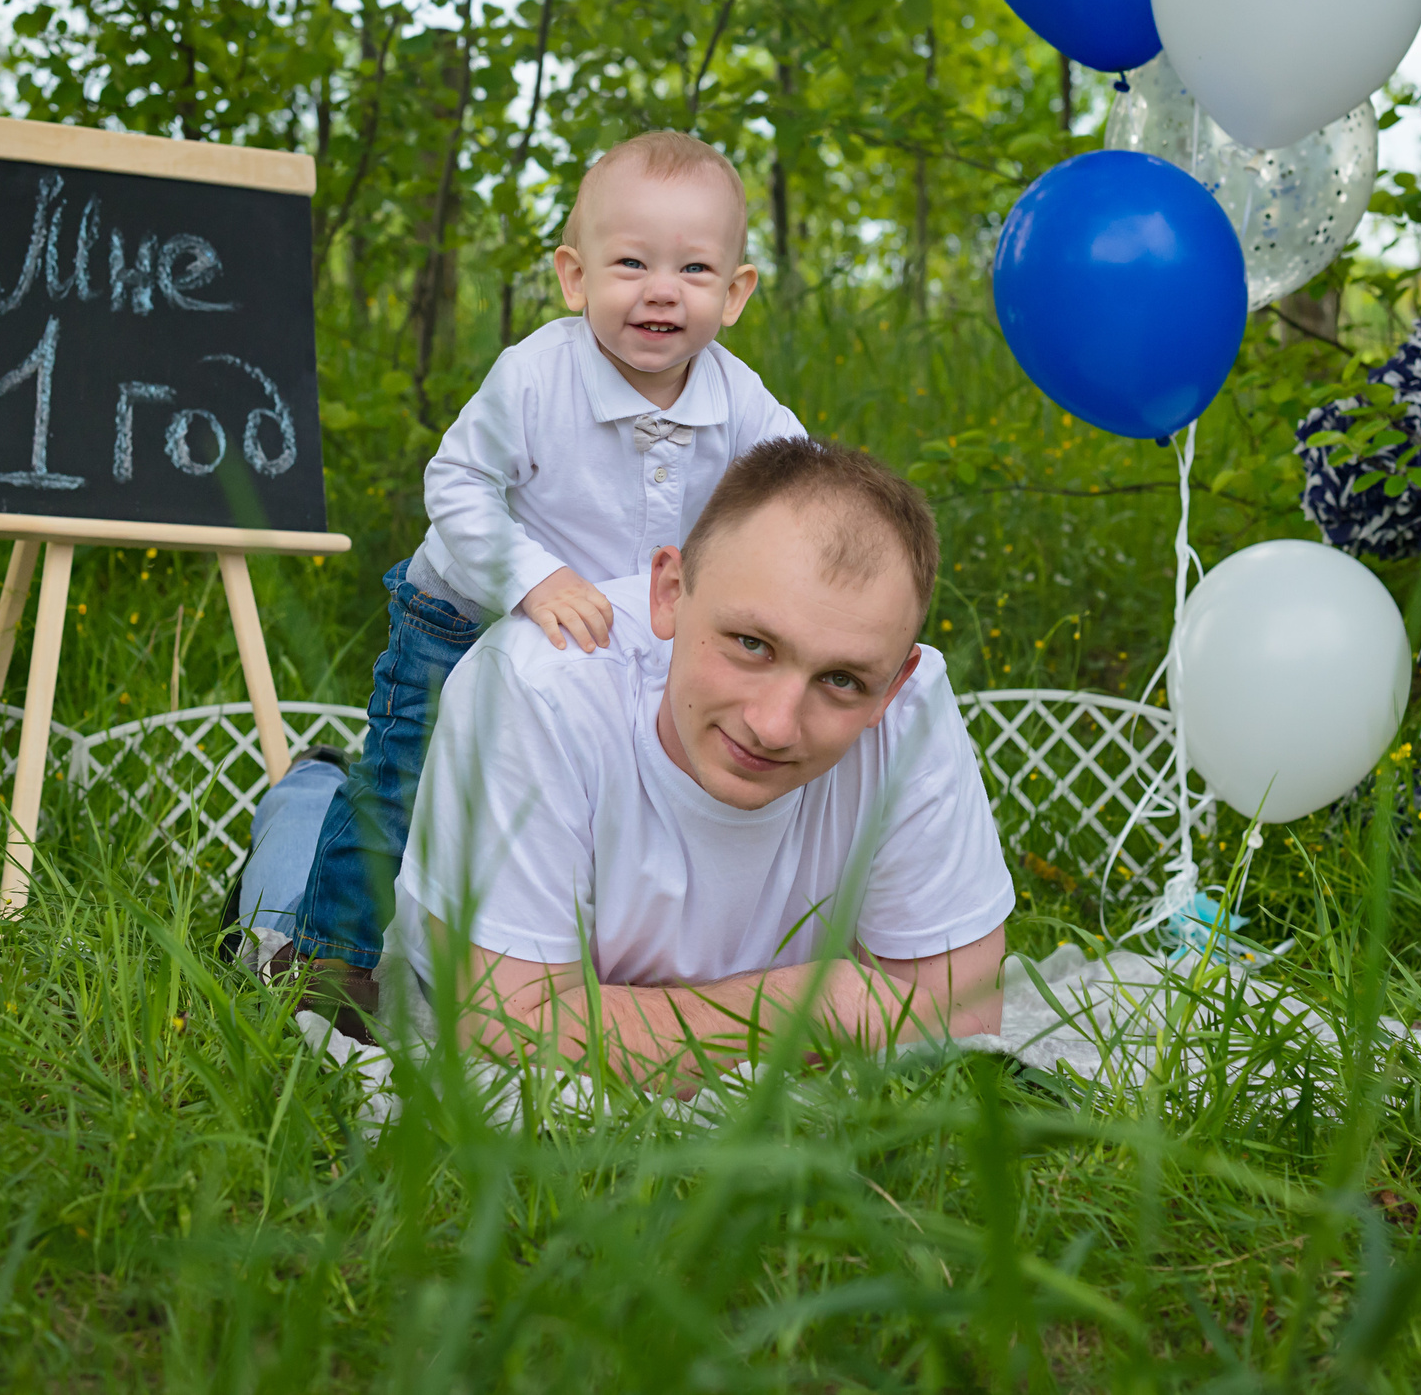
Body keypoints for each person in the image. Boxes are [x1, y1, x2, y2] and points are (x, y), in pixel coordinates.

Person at [260, 131, 806, 1016]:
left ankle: (568, 961)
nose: (661, 289)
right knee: (407, 777)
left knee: (599, 797)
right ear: (575, 276)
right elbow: (458, 483)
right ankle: (330, 956)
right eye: (630, 262)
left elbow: (799, 492)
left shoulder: (741, 401)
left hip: (617, 644)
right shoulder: (536, 375)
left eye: (695, 270)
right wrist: (532, 576)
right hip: (468, 614)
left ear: (735, 292)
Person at [396, 436, 1014, 1086]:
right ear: (670, 591)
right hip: (442, 920)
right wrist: (816, 1008)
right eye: (752, 643)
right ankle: (316, 780)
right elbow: (508, 1031)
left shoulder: (909, 709)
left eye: (840, 681)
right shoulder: (536, 689)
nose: (773, 725)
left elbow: (959, 1019)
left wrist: (616, 1029)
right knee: (302, 850)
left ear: (893, 683)